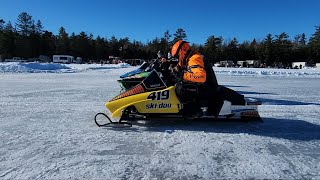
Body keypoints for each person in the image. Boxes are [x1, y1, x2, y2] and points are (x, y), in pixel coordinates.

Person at [171, 40, 223, 118]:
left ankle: (194, 111)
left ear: (182, 51)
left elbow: (201, 77)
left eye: (177, 56)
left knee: (182, 88)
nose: (177, 58)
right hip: (203, 86)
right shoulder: (188, 57)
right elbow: (179, 66)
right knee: (175, 83)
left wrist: (182, 75)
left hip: (208, 88)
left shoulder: (195, 58)